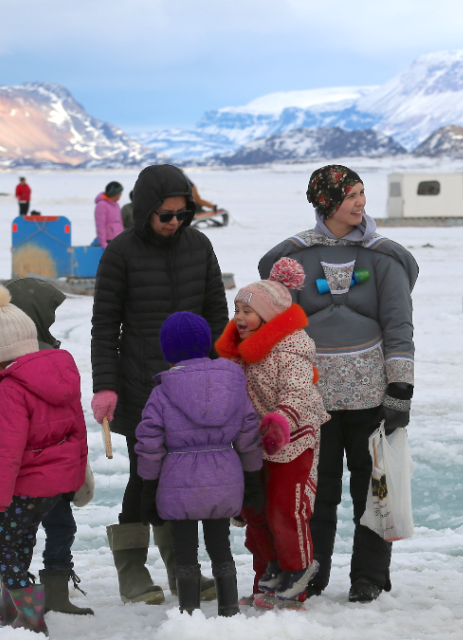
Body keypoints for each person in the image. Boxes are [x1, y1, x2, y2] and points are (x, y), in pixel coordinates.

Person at [258, 165, 418, 603]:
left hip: (372, 397)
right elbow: (277, 327)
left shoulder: (385, 258)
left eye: (363, 193)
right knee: (318, 489)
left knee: (373, 489)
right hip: (312, 398)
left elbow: (399, 326)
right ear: (327, 203)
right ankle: (314, 570)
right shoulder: (292, 259)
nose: (361, 202)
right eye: (352, 195)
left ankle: (369, 576)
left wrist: (399, 390)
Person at [90, 164, 229, 606]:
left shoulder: (200, 246)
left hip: (195, 388)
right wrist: (106, 386)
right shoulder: (120, 253)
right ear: (146, 209)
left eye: (181, 215)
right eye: (165, 215)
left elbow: (216, 313)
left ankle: (178, 564)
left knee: (184, 478)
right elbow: (104, 327)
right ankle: (131, 569)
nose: (174, 223)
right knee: (144, 477)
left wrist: (222, 373)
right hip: (141, 388)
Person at [215, 257, 330, 610]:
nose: (239, 318)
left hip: (294, 440)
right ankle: (269, 569)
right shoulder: (239, 355)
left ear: (270, 315)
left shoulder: (290, 349)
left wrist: (281, 421)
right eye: (236, 309)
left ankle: (297, 571)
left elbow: (298, 392)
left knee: (284, 510)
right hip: (254, 445)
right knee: (254, 512)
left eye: (248, 311)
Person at [0, 277, 95, 619]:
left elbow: (4, 446)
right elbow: (76, 429)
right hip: (50, 478)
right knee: (31, 536)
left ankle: (29, 606)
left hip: (24, 481)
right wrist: (76, 473)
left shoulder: (14, 380)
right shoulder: (57, 366)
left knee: (5, 545)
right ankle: (18, 603)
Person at [136, 311, 263, 616]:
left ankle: (188, 613)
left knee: (185, 551)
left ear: (169, 351)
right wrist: (253, 479)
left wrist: (148, 488)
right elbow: (248, 434)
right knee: (220, 545)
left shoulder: (161, 391)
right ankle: (229, 609)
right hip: (225, 477)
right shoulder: (233, 383)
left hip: (177, 484)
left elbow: (150, 445)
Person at [94, 181, 124, 247]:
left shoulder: (116, 205)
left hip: (119, 239)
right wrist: (103, 243)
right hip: (109, 240)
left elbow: (120, 223)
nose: (121, 195)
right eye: (119, 193)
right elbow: (100, 226)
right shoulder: (101, 205)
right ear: (114, 194)